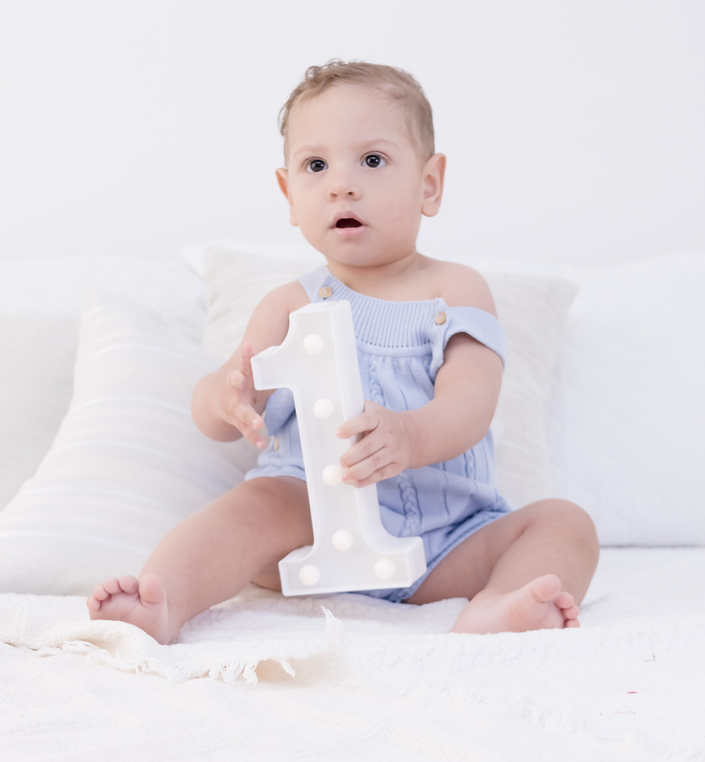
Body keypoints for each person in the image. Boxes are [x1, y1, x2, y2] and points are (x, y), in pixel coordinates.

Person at [88, 60, 599, 644]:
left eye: (373, 161)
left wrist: (409, 436)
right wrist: (224, 399)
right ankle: (161, 601)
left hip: (445, 542)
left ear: (429, 184)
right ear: (289, 194)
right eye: (316, 166)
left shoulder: (456, 291)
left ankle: (500, 605)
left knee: (565, 523)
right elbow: (222, 409)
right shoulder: (288, 305)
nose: (341, 185)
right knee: (249, 508)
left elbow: (472, 403)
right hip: (309, 527)